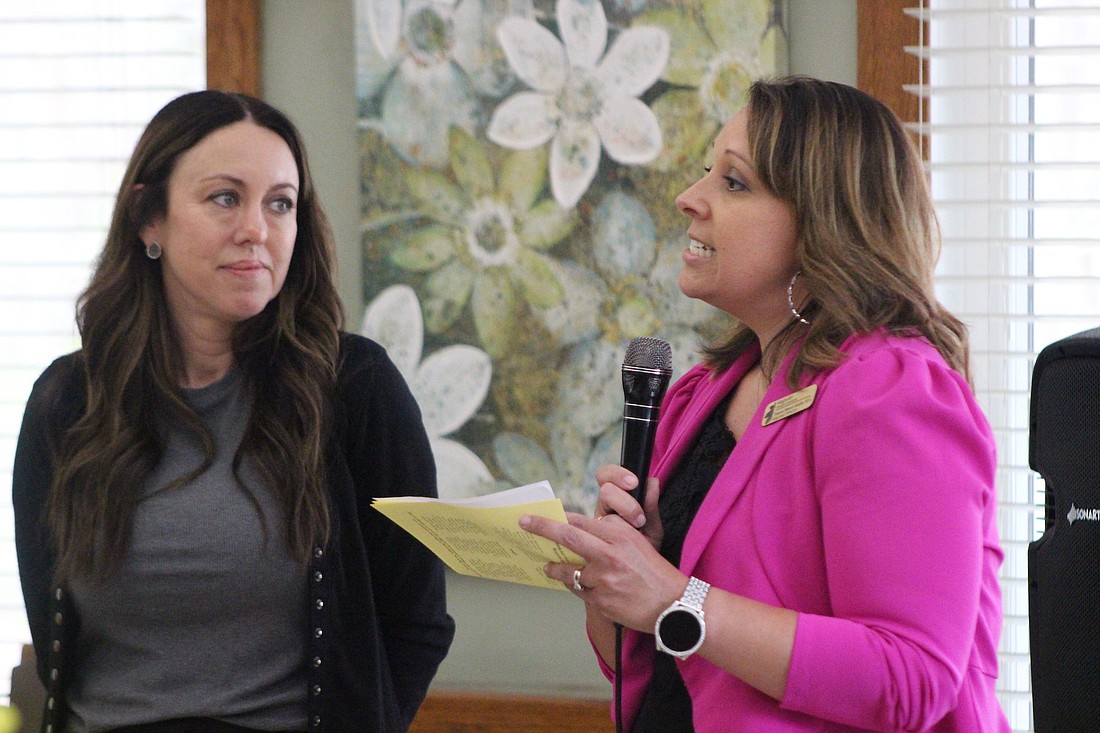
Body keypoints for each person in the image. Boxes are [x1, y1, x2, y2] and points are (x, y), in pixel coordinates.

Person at [520, 76, 1012, 732]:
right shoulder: (703, 391)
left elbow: (910, 676)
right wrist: (615, 584)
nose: (689, 198)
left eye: (734, 182)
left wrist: (675, 596)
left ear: (821, 223)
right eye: (706, 174)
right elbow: (668, 660)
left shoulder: (889, 389)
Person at [13, 90, 455, 733]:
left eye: (280, 203)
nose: (257, 228)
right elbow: (54, 635)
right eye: (226, 198)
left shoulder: (356, 389)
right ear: (149, 218)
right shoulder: (68, 402)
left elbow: (416, 621)